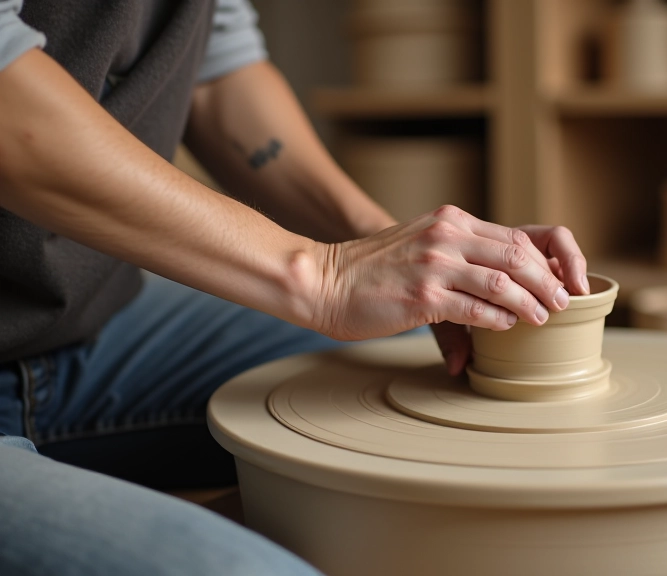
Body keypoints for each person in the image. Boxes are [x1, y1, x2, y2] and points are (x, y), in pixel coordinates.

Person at [0, 1, 589, 574]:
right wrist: (321, 276)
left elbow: (213, 73)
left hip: (91, 328)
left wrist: (381, 245)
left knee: (428, 379)